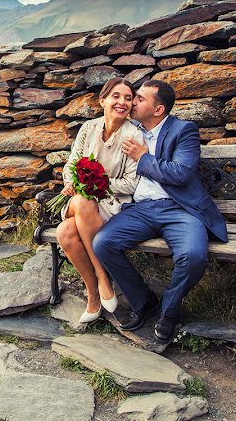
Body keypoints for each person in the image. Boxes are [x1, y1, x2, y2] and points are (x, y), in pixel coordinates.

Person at [92, 79, 228, 342]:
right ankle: (143, 302)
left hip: (180, 210)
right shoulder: (131, 129)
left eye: (139, 99)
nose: (132, 102)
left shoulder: (183, 130)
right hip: (141, 209)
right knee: (103, 242)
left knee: (193, 256)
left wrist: (143, 158)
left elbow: (180, 173)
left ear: (158, 110)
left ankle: (169, 311)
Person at [56, 77, 145, 325]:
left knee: (65, 231)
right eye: (116, 96)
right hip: (82, 200)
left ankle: (96, 290)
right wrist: (71, 181)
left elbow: (130, 183)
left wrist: (96, 186)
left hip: (112, 202)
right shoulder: (88, 128)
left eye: (128, 98)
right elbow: (72, 163)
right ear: (103, 100)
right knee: (83, 202)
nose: (122, 102)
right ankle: (98, 282)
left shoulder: (133, 135)